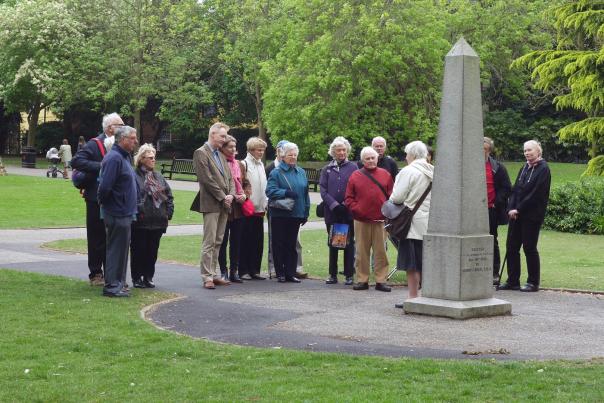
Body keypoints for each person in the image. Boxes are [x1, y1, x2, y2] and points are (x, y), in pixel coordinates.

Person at [71, 112, 124, 286]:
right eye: (120, 126)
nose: (123, 128)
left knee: (113, 238)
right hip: (95, 198)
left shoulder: (121, 146)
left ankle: (111, 274)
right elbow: (76, 161)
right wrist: (102, 166)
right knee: (96, 237)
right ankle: (95, 273)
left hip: (115, 199)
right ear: (110, 128)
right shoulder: (94, 145)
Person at [498, 140, 551, 293]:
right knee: (512, 247)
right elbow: (515, 190)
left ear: (538, 151)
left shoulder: (544, 169)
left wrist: (518, 209)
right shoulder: (524, 168)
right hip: (516, 215)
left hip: (531, 215)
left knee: (529, 247)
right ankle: (513, 280)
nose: (527, 153)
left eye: (530, 150)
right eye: (525, 151)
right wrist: (510, 208)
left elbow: (536, 194)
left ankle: (533, 282)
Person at [389, 141, 433, 305]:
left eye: (407, 154)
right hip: (429, 224)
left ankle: (413, 297)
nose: (406, 157)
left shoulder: (408, 171)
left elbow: (397, 197)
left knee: (411, 263)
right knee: (426, 262)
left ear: (413, 155)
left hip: (411, 224)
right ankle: (427, 296)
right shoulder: (433, 171)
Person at [193, 122, 235, 290]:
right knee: (209, 241)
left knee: (218, 241)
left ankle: (214, 273)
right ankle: (207, 276)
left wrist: (231, 194)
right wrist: (223, 196)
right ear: (213, 134)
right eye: (222, 136)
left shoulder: (220, 154)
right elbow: (206, 179)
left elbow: (230, 178)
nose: (224, 140)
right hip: (211, 203)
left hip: (224, 204)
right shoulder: (200, 153)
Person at [97, 126, 138, 297]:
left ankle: (119, 284)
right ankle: (112, 286)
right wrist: (110, 206)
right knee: (115, 250)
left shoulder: (124, 157)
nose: (136, 141)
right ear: (123, 139)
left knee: (121, 251)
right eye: (133, 138)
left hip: (124, 212)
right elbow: (105, 187)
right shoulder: (114, 158)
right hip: (116, 212)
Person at [345, 147, 394, 292]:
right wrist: (357, 209)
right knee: (361, 252)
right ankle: (362, 280)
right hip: (361, 221)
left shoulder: (385, 175)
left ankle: (381, 280)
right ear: (362, 160)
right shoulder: (355, 176)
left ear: (377, 159)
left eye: (373, 158)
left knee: (381, 252)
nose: (371, 160)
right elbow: (348, 198)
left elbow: (392, 196)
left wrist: (387, 212)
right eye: (367, 158)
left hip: (380, 221)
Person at [130, 144, 174, 289]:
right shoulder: (134, 175)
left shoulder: (158, 176)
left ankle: (148, 277)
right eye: (150, 158)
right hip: (142, 221)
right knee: (138, 250)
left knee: (152, 251)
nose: (153, 160)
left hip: (158, 220)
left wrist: (168, 212)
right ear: (142, 159)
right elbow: (133, 197)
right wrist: (139, 211)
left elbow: (168, 196)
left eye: (154, 157)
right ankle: (137, 278)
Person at [266, 142, 310, 283]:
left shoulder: (301, 172)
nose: (293, 157)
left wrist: (306, 212)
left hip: (296, 214)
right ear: (283, 156)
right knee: (279, 244)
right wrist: (285, 192)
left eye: (295, 155)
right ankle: (280, 273)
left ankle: (290, 273)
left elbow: (305, 194)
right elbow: (270, 191)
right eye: (290, 154)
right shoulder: (276, 172)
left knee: (291, 245)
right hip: (280, 214)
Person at [320, 136, 358, 285]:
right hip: (332, 213)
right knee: (333, 243)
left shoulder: (354, 167)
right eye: (338, 150)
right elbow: (323, 190)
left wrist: (345, 203)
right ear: (333, 152)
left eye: (343, 150)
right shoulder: (326, 169)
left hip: (348, 213)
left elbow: (356, 188)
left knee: (348, 244)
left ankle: (349, 275)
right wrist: (334, 204)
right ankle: (332, 274)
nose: (341, 152)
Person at [218, 135, 248, 283]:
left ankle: (234, 271)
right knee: (222, 241)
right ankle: (223, 271)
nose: (233, 150)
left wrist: (244, 194)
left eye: (235, 147)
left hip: (239, 208)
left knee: (237, 241)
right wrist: (231, 195)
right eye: (230, 147)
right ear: (222, 148)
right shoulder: (219, 163)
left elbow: (246, 183)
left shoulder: (240, 165)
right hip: (225, 205)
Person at [239, 137, 268, 280]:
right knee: (245, 239)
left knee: (258, 241)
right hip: (248, 208)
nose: (261, 152)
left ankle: (255, 269)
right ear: (251, 150)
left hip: (260, 209)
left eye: (263, 149)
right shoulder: (244, 164)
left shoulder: (261, 165)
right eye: (258, 149)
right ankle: (243, 269)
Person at [483, 137, 512, 284]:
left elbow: (506, 188)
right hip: (471, 212)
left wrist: (496, 203)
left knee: (492, 240)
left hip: (490, 210)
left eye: (484, 147)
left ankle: (494, 273)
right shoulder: (468, 166)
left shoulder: (497, 167)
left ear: (489, 150)